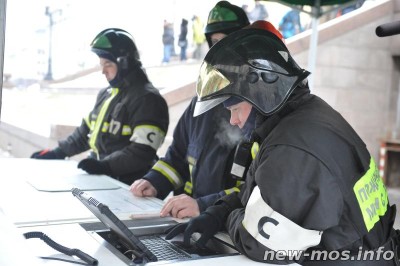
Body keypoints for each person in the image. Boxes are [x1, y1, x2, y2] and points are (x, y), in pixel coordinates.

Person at [165, 27, 400, 265]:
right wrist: (216, 211)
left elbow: (260, 244)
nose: (233, 121)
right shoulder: (302, 117)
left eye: (235, 110)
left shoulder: (290, 147)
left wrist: (229, 219)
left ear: (260, 97)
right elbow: (257, 193)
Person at [130, 1, 251, 219]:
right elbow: (177, 156)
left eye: (228, 42)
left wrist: (204, 205)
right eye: (214, 43)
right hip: (193, 222)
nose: (220, 51)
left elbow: (261, 190)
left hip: (231, 229)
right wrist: (154, 181)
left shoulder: (261, 106)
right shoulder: (201, 103)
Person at [31, 28, 169, 186]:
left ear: (124, 63)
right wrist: (59, 152)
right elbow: (85, 132)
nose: (103, 71)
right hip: (105, 179)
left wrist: (106, 166)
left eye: (108, 64)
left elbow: (142, 151)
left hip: (129, 186)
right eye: (101, 64)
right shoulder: (107, 94)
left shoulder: (148, 99)